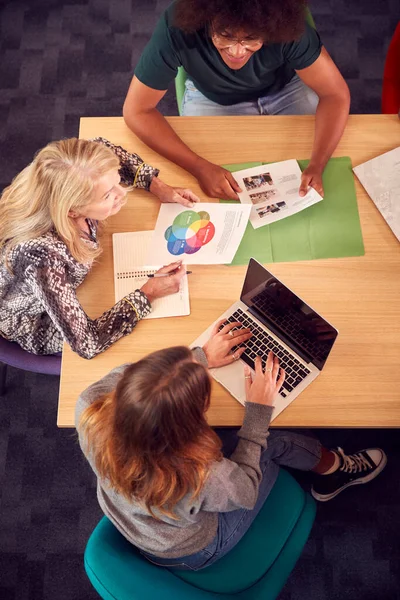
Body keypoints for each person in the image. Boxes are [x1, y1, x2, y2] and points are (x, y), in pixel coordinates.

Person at [76, 320, 386, 571]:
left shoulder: (89, 407)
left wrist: (200, 357)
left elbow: (145, 382)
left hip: (142, 529)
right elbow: (245, 491)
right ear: (184, 427)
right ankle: (337, 471)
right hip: (196, 549)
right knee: (275, 439)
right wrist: (258, 411)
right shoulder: (200, 475)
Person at [123, 0, 350, 201]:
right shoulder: (176, 28)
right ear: (207, 20)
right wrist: (198, 167)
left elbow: (335, 95)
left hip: (285, 90)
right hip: (213, 99)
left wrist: (317, 164)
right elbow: (137, 111)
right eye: (226, 36)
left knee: (328, 157)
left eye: (251, 39)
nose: (237, 51)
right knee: (208, 184)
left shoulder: (288, 26)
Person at [0, 137, 200, 359]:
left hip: (67, 284)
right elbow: (88, 343)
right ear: (72, 211)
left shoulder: (69, 168)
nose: (122, 194)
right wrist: (149, 293)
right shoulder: (42, 257)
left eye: (117, 182)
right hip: (36, 319)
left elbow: (107, 150)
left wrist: (158, 186)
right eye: (107, 195)